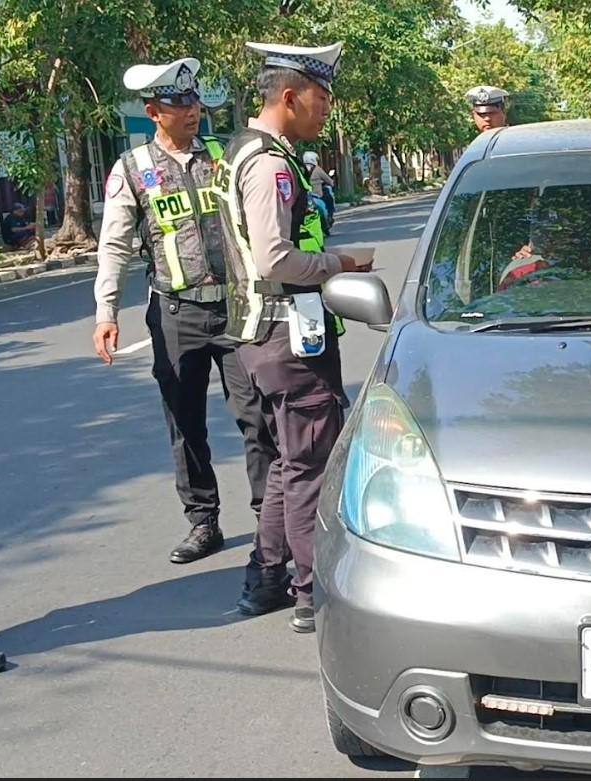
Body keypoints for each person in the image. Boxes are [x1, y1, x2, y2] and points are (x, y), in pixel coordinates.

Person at [92, 57, 277, 564]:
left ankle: (270, 518)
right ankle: (203, 520)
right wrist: (107, 311)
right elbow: (114, 245)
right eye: (179, 104)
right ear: (154, 111)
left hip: (237, 309)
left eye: (194, 101)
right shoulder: (132, 169)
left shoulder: (224, 154)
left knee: (257, 415)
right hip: (177, 313)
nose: (192, 111)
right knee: (185, 421)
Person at [213, 40, 370, 634]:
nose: (327, 110)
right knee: (311, 465)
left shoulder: (248, 150)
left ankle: (266, 580)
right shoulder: (270, 164)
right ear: (289, 96)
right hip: (286, 335)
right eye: (321, 99)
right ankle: (311, 593)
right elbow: (275, 259)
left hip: (264, 334)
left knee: (287, 463)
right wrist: (340, 264)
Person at [302, 150, 336, 230]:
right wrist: (331, 182)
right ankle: (328, 219)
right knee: (326, 202)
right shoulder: (317, 169)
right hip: (316, 197)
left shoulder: (301, 169)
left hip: (305, 197)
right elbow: (329, 181)